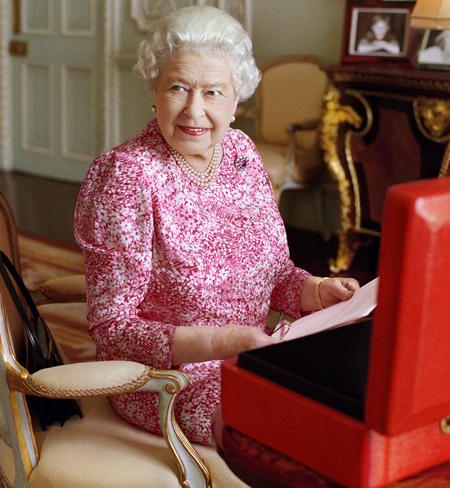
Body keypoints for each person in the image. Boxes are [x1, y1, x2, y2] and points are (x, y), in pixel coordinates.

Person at [74, 6, 361, 446]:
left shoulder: (241, 153)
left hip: (254, 355)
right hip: (167, 381)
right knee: (290, 436)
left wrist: (315, 290)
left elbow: (275, 273)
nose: (194, 110)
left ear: (236, 101)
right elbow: (113, 327)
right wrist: (225, 341)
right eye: (178, 88)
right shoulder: (128, 175)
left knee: (353, 399)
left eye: (212, 92)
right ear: (154, 88)